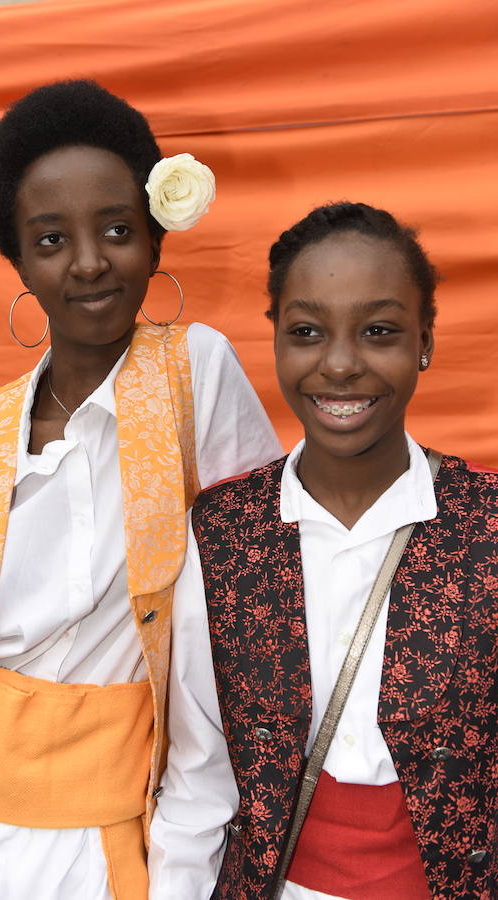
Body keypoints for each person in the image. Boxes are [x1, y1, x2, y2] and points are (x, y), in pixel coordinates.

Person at [0, 79, 282, 899]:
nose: (87, 262)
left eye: (114, 230)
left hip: (106, 843)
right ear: (16, 260)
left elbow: (252, 606)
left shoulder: (194, 374)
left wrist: (190, 848)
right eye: (49, 240)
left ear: (154, 237)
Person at [149, 202, 497, 900]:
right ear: (274, 339)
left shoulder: (485, 525)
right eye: (307, 331)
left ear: (424, 342)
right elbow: (199, 776)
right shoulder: (221, 533)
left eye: (378, 331)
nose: (339, 364)